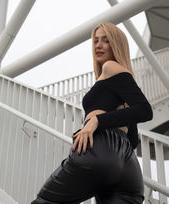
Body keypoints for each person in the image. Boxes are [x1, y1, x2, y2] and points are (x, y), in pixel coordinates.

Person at [31, 22, 153, 204]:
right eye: (96, 41)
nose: (98, 45)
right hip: (127, 166)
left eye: (106, 40)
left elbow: (145, 111)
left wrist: (95, 121)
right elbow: (132, 139)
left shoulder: (110, 67)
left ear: (117, 45)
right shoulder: (122, 81)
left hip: (101, 150)